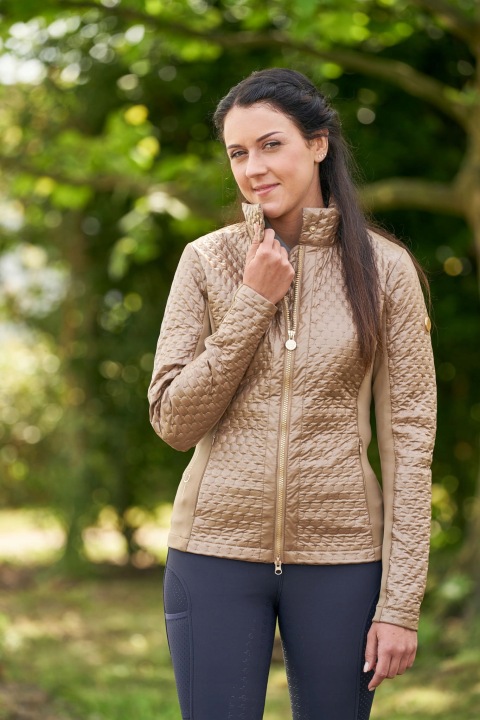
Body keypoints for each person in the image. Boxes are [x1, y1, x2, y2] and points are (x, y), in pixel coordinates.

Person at [148, 68, 437, 720]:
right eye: (238, 153)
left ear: (318, 144)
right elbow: (172, 421)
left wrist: (400, 604)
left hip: (343, 560)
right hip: (212, 554)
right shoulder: (206, 260)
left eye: (271, 144)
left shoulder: (386, 271)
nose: (253, 168)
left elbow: (411, 442)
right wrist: (253, 302)